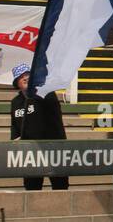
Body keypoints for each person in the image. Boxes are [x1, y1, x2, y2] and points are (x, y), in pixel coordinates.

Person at [10, 63, 69, 191]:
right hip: (31, 153)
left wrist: (34, 94)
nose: (25, 78)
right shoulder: (16, 102)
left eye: (28, 75)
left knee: (60, 186)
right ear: (17, 83)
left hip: (53, 149)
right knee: (32, 187)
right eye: (21, 77)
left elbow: (53, 119)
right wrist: (14, 139)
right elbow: (14, 126)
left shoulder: (46, 94)